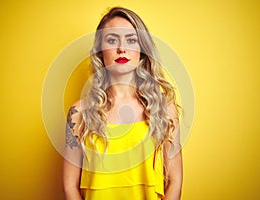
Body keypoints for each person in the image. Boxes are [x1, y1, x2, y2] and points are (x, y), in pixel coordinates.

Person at [63, 7, 182, 200]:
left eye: (131, 40)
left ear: (142, 49)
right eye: (112, 40)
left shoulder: (164, 109)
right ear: (100, 51)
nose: (121, 48)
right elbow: (69, 186)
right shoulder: (79, 112)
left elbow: (175, 180)